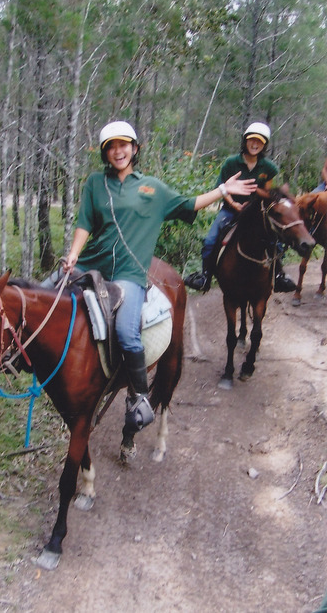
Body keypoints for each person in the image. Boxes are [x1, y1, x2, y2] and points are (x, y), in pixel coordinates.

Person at [58, 120, 257, 433]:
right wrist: (73, 254)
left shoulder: (152, 188)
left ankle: (138, 397)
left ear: (135, 149)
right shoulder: (95, 183)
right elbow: (84, 223)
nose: (118, 151)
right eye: (111, 146)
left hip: (128, 273)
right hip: (91, 263)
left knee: (126, 331)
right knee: (44, 296)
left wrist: (221, 191)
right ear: (105, 153)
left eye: (123, 145)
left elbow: (188, 204)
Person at [184, 121, 297, 294]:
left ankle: (278, 275)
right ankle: (205, 276)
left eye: (259, 141)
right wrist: (234, 204)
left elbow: (267, 194)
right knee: (210, 240)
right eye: (252, 140)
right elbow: (222, 188)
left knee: (276, 240)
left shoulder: (268, 167)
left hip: (256, 213)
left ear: (264, 144)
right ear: (245, 141)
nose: (255, 144)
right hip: (231, 209)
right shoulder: (231, 163)